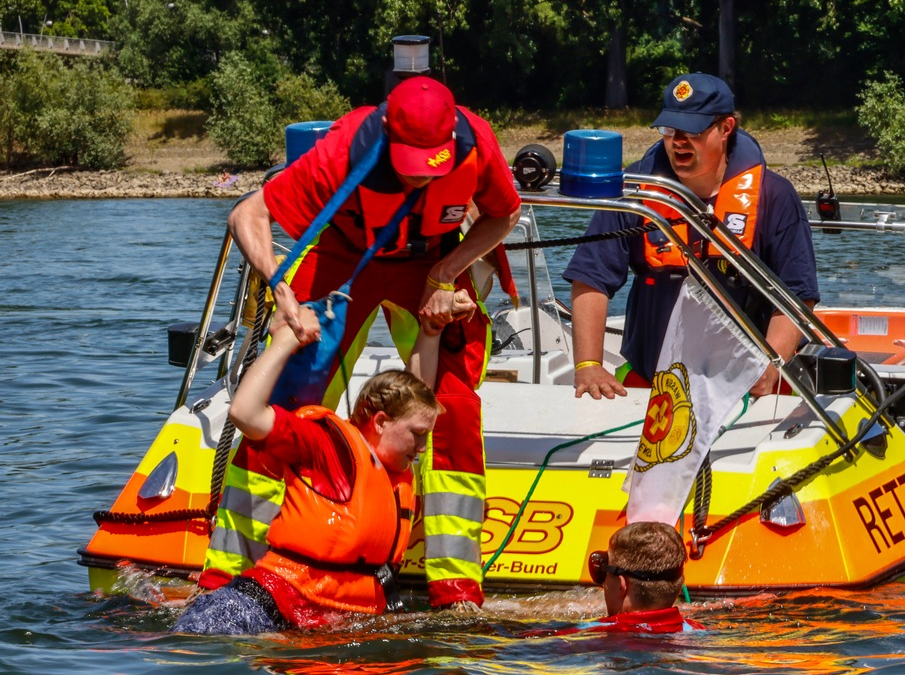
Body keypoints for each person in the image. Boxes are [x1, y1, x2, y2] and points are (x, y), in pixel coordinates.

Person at [202, 74, 521, 611]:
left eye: (431, 170)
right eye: (409, 168)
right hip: (344, 260)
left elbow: (504, 213)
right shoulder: (343, 149)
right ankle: (228, 573)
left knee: (455, 409)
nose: (420, 181)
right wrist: (282, 292)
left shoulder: (476, 141)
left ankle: (457, 591)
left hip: (432, 261)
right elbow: (247, 214)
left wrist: (447, 273)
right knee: (287, 405)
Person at [174, 307, 440, 634]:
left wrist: (430, 333)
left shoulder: (394, 474)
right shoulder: (326, 446)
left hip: (327, 621)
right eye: (418, 435)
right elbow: (244, 413)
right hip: (262, 607)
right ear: (382, 422)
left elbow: (420, 395)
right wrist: (284, 341)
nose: (423, 447)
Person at [563, 73, 819, 400]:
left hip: (745, 385)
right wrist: (588, 364)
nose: (678, 140)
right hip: (653, 378)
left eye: (692, 130)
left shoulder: (775, 195)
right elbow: (590, 277)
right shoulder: (635, 190)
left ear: (726, 128)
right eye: (669, 130)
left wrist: (771, 366)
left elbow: (797, 293)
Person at [545, 522, 703, 634]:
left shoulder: (582, 635)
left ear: (622, 585)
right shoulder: (699, 631)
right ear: (679, 583)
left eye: (604, 573)